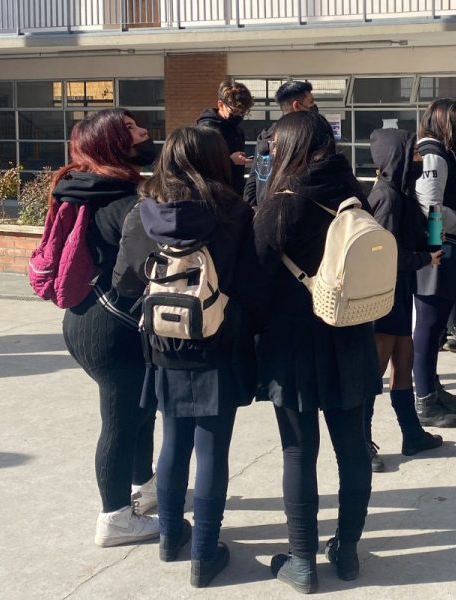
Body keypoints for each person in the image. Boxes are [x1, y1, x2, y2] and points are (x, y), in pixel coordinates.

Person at [112, 126, 258, 587]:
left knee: (173, 440)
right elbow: (252, 283)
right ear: (216, 161)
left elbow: (124, 283)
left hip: (163, 344)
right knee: (212, 447)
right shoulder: (234, 212)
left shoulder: (142, 212)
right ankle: (203, 553)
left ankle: (170, 537)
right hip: (219, 342)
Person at [254, 111, 377, 593]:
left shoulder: (282, 201)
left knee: (298, 452)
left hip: (294, 344)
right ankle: (347, 552)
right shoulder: (353, 194)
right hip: (351, 336)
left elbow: (255, 277)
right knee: (353, 451)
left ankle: (301, 560)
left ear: (288, 147)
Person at [56, 109, 159, 546]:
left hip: (84, 316)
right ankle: (114, 518)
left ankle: (144, 487)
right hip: (112, 327)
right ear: (115, 145)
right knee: (120, 420)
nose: (144, 132)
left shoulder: (79, 189)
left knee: (138, 409)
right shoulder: (123, 202)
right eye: (132, 130)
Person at [366, 128, 444, 472]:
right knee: (374, 372)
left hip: (399, 292)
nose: (419, 161)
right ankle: (360, 441)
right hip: (384, 295)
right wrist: (425, 260)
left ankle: (412, 434)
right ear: (397, 157)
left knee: (403, 363)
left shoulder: (401, 193)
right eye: (413, 154)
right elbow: (385, 255)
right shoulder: (387, 197)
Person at [412, 98, 456, 428]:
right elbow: (430, 206)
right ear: (441, 121)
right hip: (440, 251)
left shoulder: (444, 152)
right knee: (429, 325)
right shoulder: (433, 154)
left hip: (447, 247)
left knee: (436, 326)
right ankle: (423, 399)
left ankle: (432, 387)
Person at [243, 80, 319, 207]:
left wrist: (252, 211)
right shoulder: (305, 138)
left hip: (265, 214)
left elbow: (253, 179)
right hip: (290, 214)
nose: (314, 106)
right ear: (297, 106)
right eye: (311, 102)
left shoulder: (265, 136)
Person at [196, 79, 254, 197]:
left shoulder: (236, 129)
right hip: (214, 194)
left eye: (243, 112)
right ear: (220, 105)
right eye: (235, 111)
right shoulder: (206, 128)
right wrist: (230, 160)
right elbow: (200, 163)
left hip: (233, 191)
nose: (240, 115)